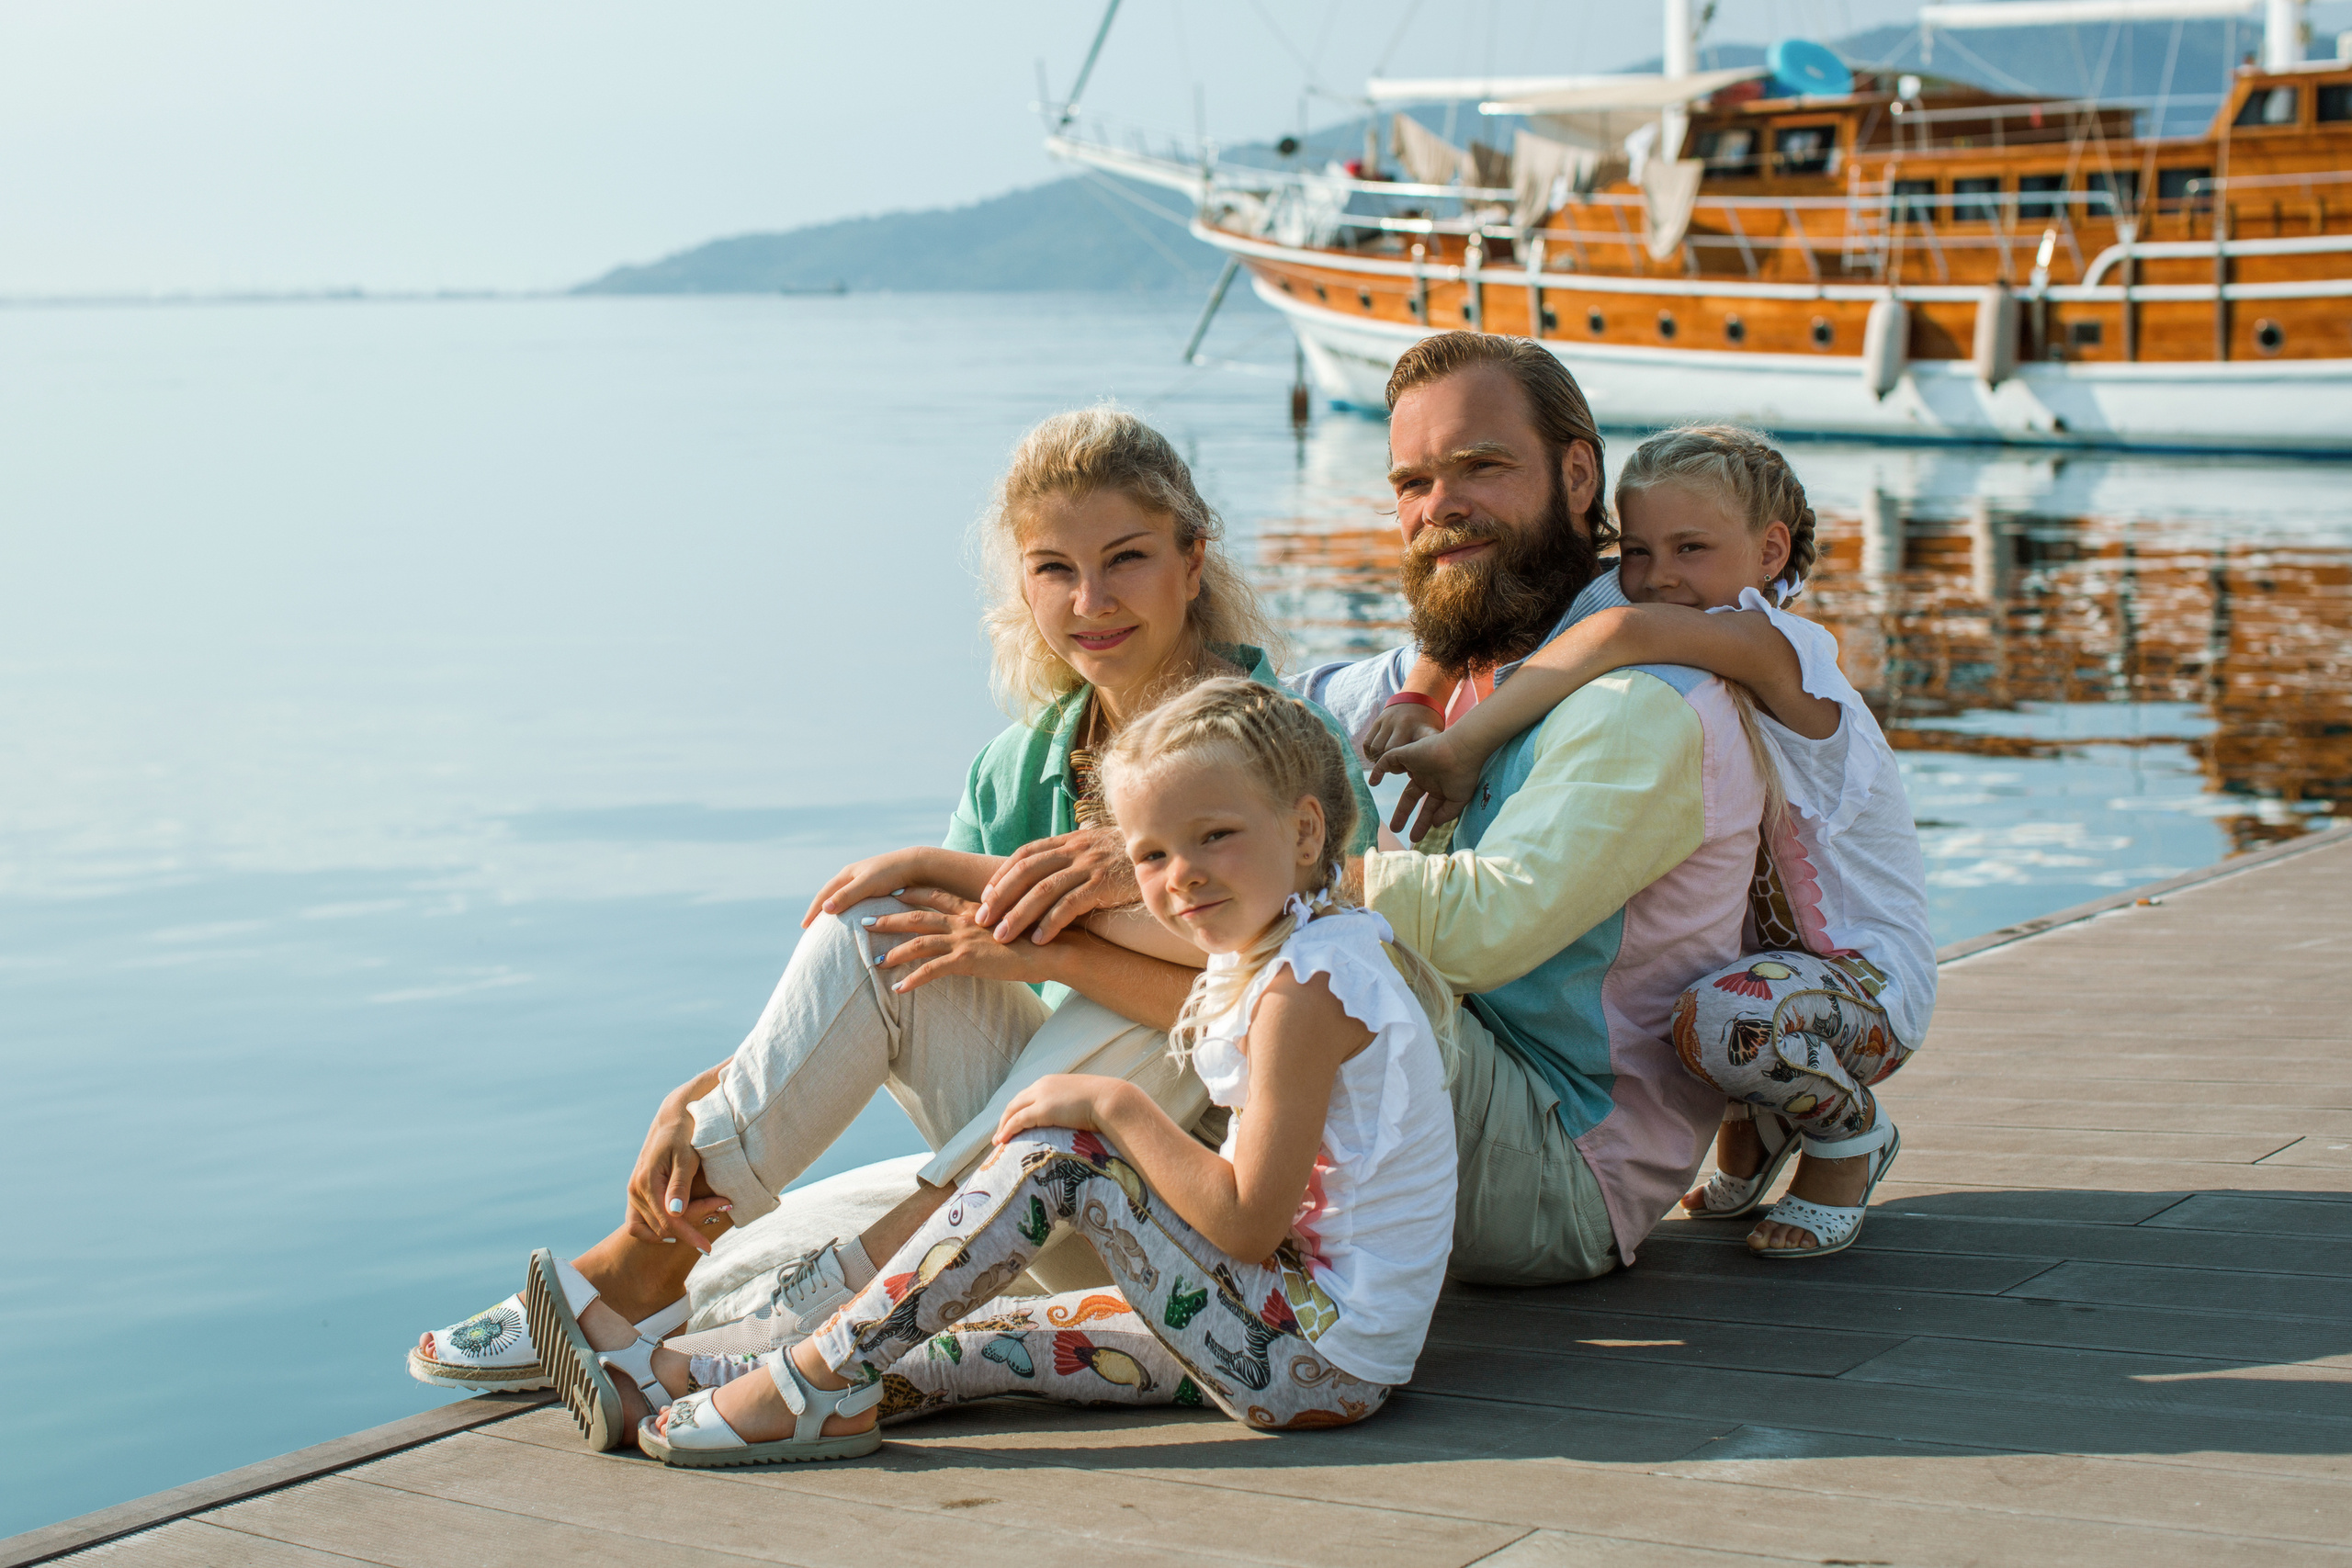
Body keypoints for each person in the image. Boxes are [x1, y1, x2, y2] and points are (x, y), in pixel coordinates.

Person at [406, 408, 1378, 1447]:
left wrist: (1052, 943)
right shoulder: (1022, 767)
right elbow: (912, 969)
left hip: (1217, 1232)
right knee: (883, 922)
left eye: (1126, 560)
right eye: (1053, 569)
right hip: (1035, 1196)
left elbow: (1302, 1002)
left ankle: (830, 1313)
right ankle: (646, 1258)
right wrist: (705, 1097)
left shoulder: (1286, 757)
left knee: (1188, 986)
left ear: (1193, 560)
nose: (1089, 602)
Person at [989, 333, 1775, 1287]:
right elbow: (1279, 704)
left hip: (1556, 1174)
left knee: (1280, 942)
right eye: (1411, 483)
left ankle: (910, 1270)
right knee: (901, 939)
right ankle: (914, 1247)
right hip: (1412, 1129)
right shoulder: (1424, 680)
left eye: (1480, 466)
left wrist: (1128, 885)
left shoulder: (1647, 704)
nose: (1439, 507)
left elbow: (1481, 932)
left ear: (1578, 476)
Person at [609, 677, 1458, 1461]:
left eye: (1216, 837)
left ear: (1305, 829)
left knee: (1060, 1151)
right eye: (1152, 856)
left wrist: (1113, 1106)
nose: (1180, 878)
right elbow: (1077, 929)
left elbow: (1243, 1220)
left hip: (1309, 1352)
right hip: (1284, 1332)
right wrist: (934, 868)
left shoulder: (1307, 992)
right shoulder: (1293, 952)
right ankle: (705, 1382)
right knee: (974, 1344)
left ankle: (801, 1382)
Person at [1365, 423, 1934, 1258]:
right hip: (1759, 955)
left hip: (1862, 974)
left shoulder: (1776, 647)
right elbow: (1495, 620)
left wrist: (1464, 743)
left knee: (1721, 1017)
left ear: (1771, 551)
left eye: (1692, 547)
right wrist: (1421, 688)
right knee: (1693, 975)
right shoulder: (1688, 615)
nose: (1659, 575)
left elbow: (1618, 633)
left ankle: (1850, 1140)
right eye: (1638, 550)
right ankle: (1760, 1124)